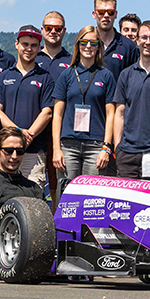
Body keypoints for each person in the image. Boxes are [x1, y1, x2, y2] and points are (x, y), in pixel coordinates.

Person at [51, 26, 116, 196]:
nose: (88, 46)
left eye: (93, 42)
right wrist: (56, 149)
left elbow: (111, 115)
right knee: (67, 196)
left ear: (98, 47)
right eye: (84, 42)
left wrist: (106, 148)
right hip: (68, 146)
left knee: (92, 198)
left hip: (96, 146)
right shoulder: (66, 75)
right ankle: (64, 225)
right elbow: (57, 115)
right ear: (77, 45)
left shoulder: (106, 76)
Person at [0, 26, 55, 192]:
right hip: (6, 150)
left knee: (32, 198)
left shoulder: (45, 77)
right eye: (25, 44)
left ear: (39, 48)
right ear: (17, 44)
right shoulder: (4, 76)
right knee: (4, 196)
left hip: (34, 150)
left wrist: (28, 136)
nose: (29, 49)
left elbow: (47, 112)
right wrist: (17, 133)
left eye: (34, 45)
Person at [113, 20, 150, 181]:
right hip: (127, 153)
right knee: (126, 203)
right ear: (137, 40)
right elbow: (119, 113)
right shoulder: (126, 74)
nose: (148, 42)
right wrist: (118, 146)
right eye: (144, 37)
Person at [35, 11, 72, 202]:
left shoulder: (72, 60)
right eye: (48, 28)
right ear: (42, 30)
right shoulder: (32, 57)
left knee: (58, 183)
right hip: (35, 131)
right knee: (35, 182)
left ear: (64, 31)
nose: (53, 32)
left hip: (62, 131)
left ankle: (58, 228)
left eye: (57, 28)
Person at [0, 128, 44, 223]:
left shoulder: (34, 189)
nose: (14, 156)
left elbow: (44, 223)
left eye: (19, 151)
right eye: (9, 151)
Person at [92, 0, 138, 82]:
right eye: (101, 12)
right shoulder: (85, 43)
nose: (106, 16)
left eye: (110, 12)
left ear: (116, 14)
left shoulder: (128, 46)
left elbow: (134, 81)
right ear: (94, 14)